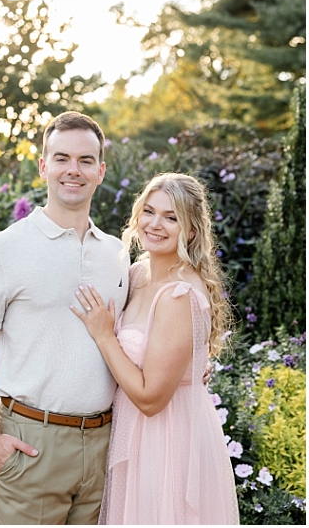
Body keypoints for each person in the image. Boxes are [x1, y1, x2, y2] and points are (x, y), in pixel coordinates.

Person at [0, 111, 130, 524]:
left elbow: (134, 332)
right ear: (43, 166)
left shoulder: (118, 255)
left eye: (86, 160)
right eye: (62, 158)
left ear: (101, 171)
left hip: (107, 445)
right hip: (33, 445)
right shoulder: (2, 251)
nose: (74, 170)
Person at [71, 173, 239, 524]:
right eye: (149, 211)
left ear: (191, 230)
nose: (155, 224)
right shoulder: (136, 275)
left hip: (167, 442)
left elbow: (151, 399)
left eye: (171, 217)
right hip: (131, 437)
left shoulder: (180, 296)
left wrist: (104, 335)